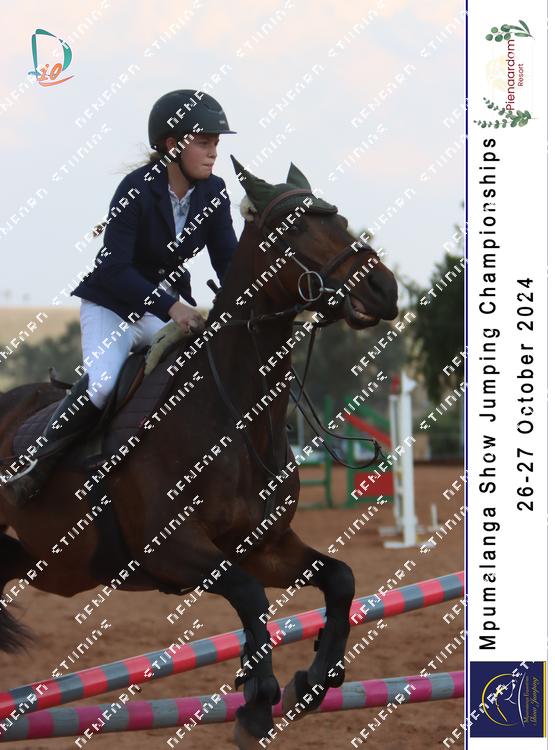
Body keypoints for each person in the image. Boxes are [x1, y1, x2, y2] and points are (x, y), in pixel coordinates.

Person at [6, 89, 238, 505]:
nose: (213, 153)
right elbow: (114, 268)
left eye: (216, 143)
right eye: (204, 142)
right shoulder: (136, 189)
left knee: (196, 375)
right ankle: (37, 466)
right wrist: (173, 306)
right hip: (112, 307)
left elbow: (228, 263)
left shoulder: (214, 193)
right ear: (172, 145)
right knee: (103, 386)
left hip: (160, 311)